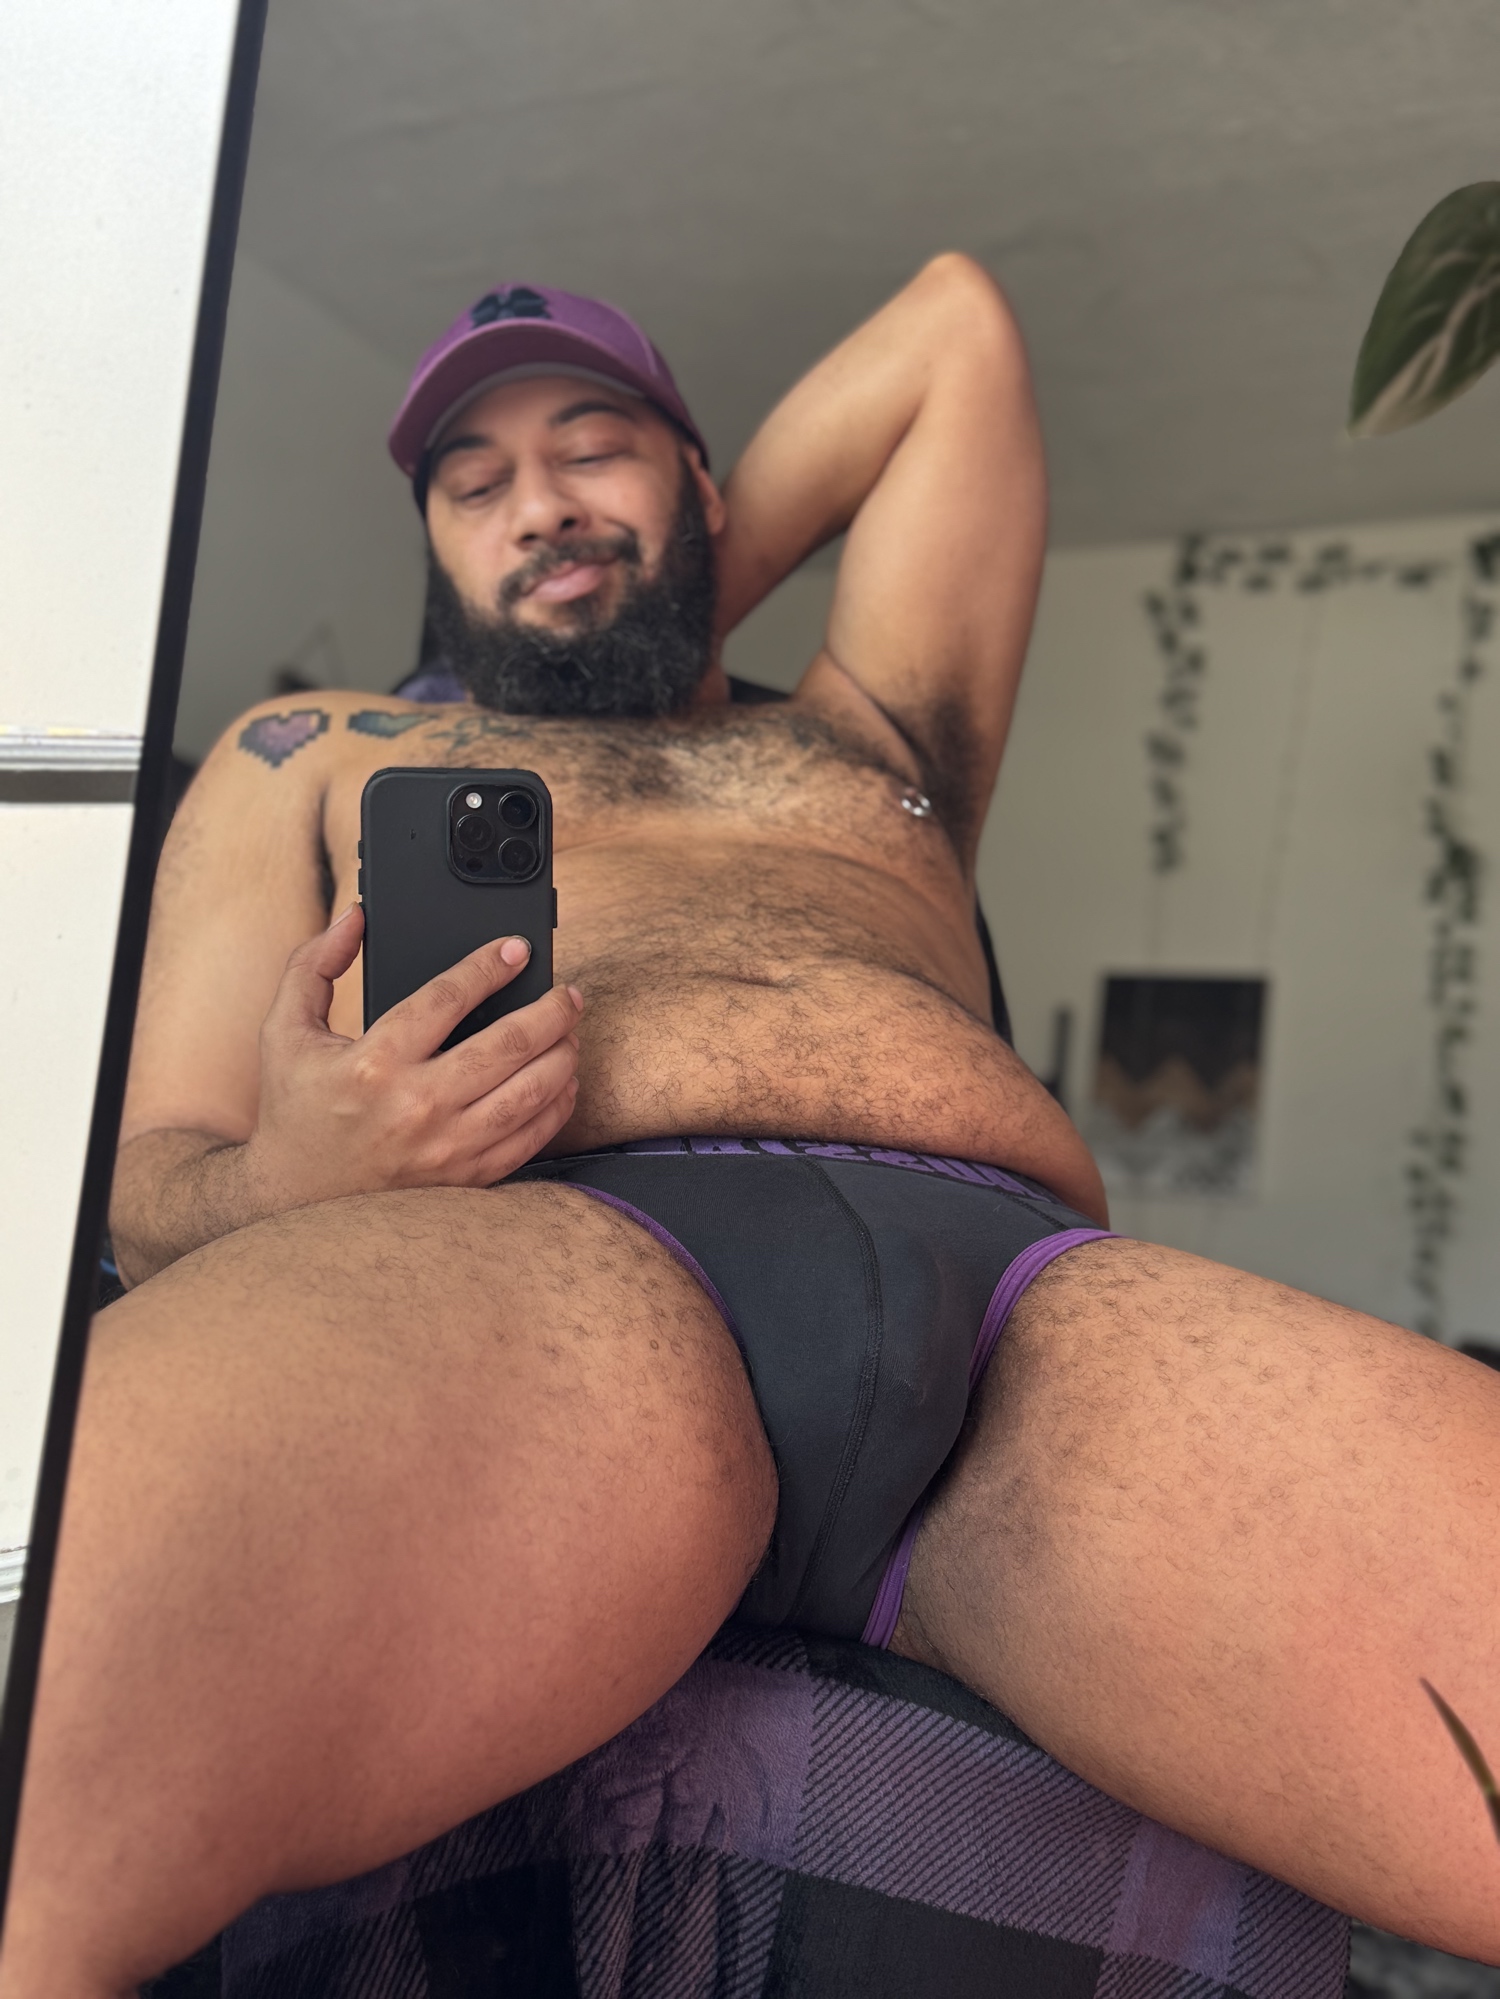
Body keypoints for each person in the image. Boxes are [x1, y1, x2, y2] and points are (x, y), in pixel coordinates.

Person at [4, 257, 1498, 1998]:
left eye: (595, 452)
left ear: (709, 491)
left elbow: (955, 332)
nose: (539, 505)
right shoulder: (309, 746)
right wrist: (285, 1177)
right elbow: (152, 1172)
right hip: (562, 1272)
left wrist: (656, 599)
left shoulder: (877, 731)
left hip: (1032, 1326)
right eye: (476, 491)